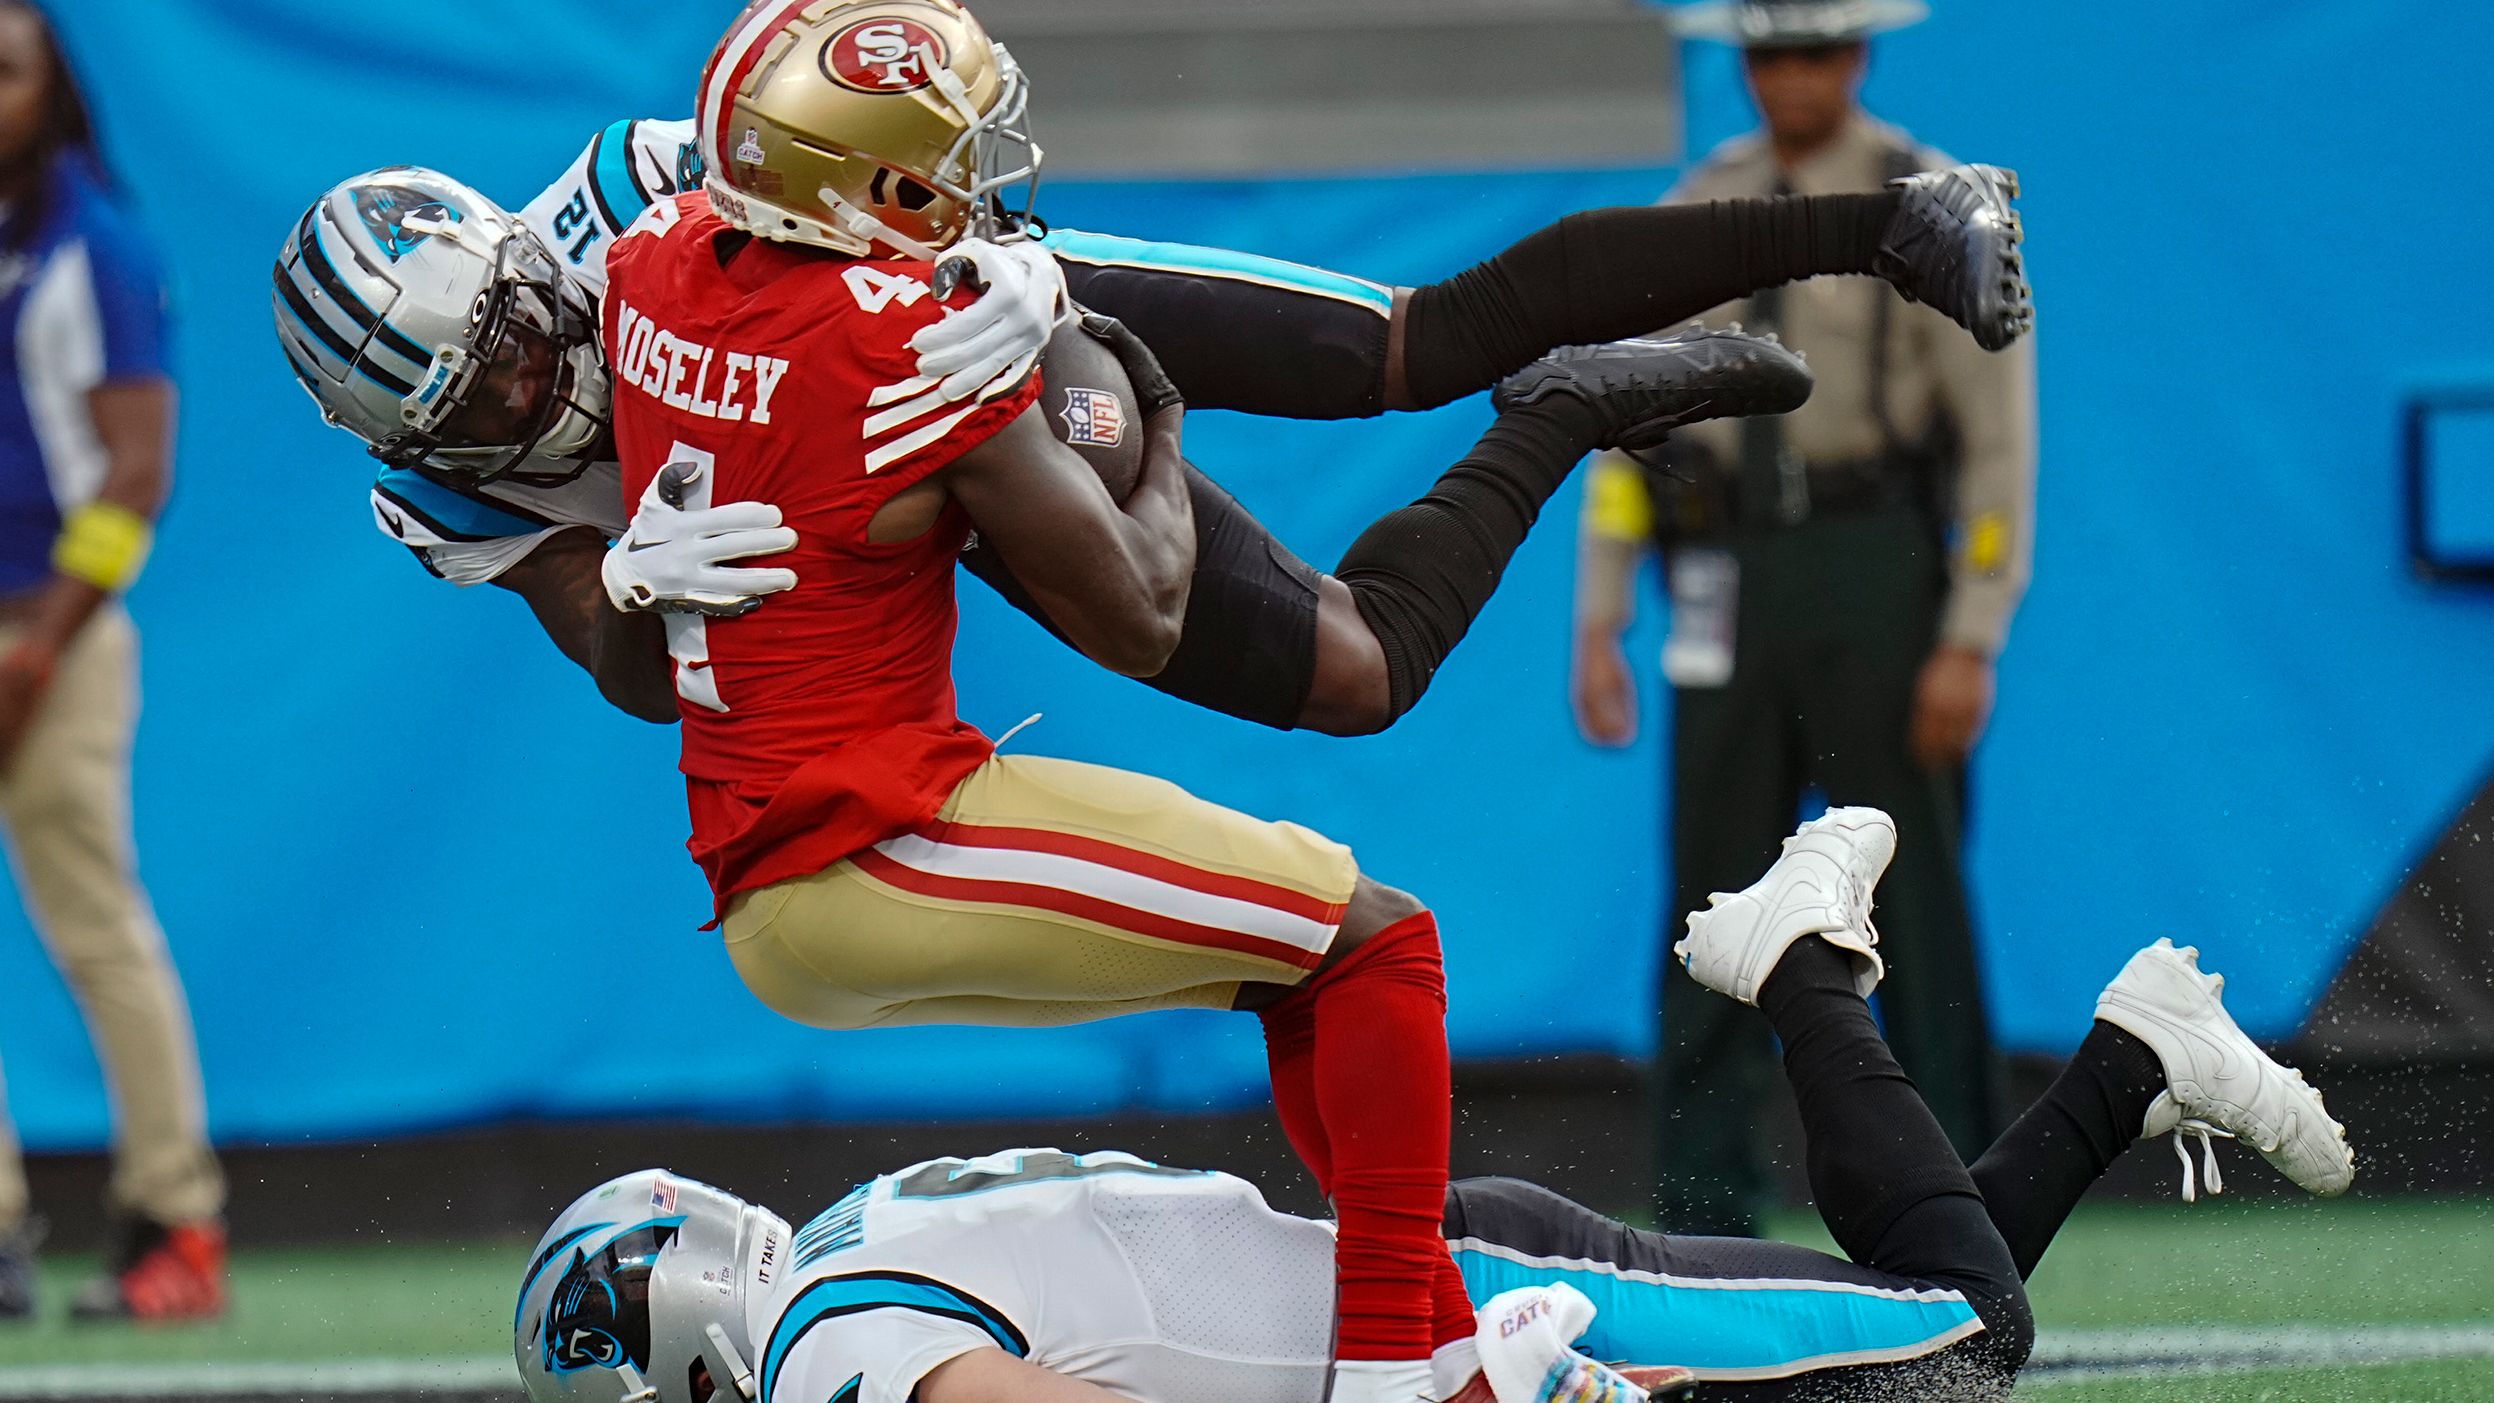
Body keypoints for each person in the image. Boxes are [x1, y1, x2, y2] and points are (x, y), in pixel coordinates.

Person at [273, 113, 2025, 737]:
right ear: (408, 433)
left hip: (981, 340)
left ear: (521, 265)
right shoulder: (434, 497)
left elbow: (869, 163)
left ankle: (1886, 221)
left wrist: (992, 272)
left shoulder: (627, 188)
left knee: (1407, 342)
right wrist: (640, 597)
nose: (526, 394)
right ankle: (1560, 420)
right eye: (475, 406)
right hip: (886, 510)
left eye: (511, 346)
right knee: (1355, 679)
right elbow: (626, 665)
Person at [509, 810, 2352, 1403]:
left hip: (1462, 1322)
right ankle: (2137, 1051)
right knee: (1914, 1344)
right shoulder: (865, 1228)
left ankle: (1808, 959)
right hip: (1421, 1287)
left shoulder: (834, 1339)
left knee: (1964, 1342)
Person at [1569, 0, 2041, 1235]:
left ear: (1858, 54)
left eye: (1814, 49)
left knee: (1911, 885)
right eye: (1767, 53)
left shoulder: (1934, 202)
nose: (1789, 77)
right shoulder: (1697, 207)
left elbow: (1996, 443)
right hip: (1724, 563)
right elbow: (1629, 418)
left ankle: (1967, 1193)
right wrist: (1600, 610)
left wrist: (1971, 629)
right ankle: (1703, 1197)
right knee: (1714, 887)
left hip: (1872, 560)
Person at [0, 0, 225, 1322]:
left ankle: (174, 1227)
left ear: (54, 92)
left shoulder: (100, 247)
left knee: (93, 920)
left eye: (5, 68)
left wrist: (41, 642)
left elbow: (135, 476)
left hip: (57, 633)